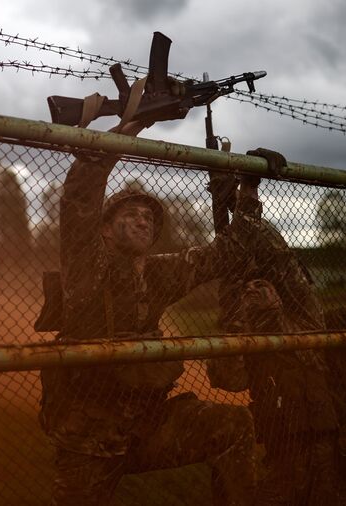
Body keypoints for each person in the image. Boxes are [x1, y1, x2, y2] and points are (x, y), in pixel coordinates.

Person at [37, 119, 264, 506]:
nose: (144, 219)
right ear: (104, 230)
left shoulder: (160, 272)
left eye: (150, 217)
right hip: (90, 434)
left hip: (149, 423)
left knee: (234, 424)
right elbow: (79, 203)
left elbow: (228, 254)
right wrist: (123, 130)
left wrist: (248, 188)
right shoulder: (87, 266)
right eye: (132, 213)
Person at [207, 187, 346, 505]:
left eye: (262, 281)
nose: (256, 288)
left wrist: (243, 198)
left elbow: (275, 251)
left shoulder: (308, 319)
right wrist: (235, 313)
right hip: (286, 461)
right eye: (247, 285)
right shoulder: (253, 340)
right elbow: (226, 377)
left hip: (336, 453)